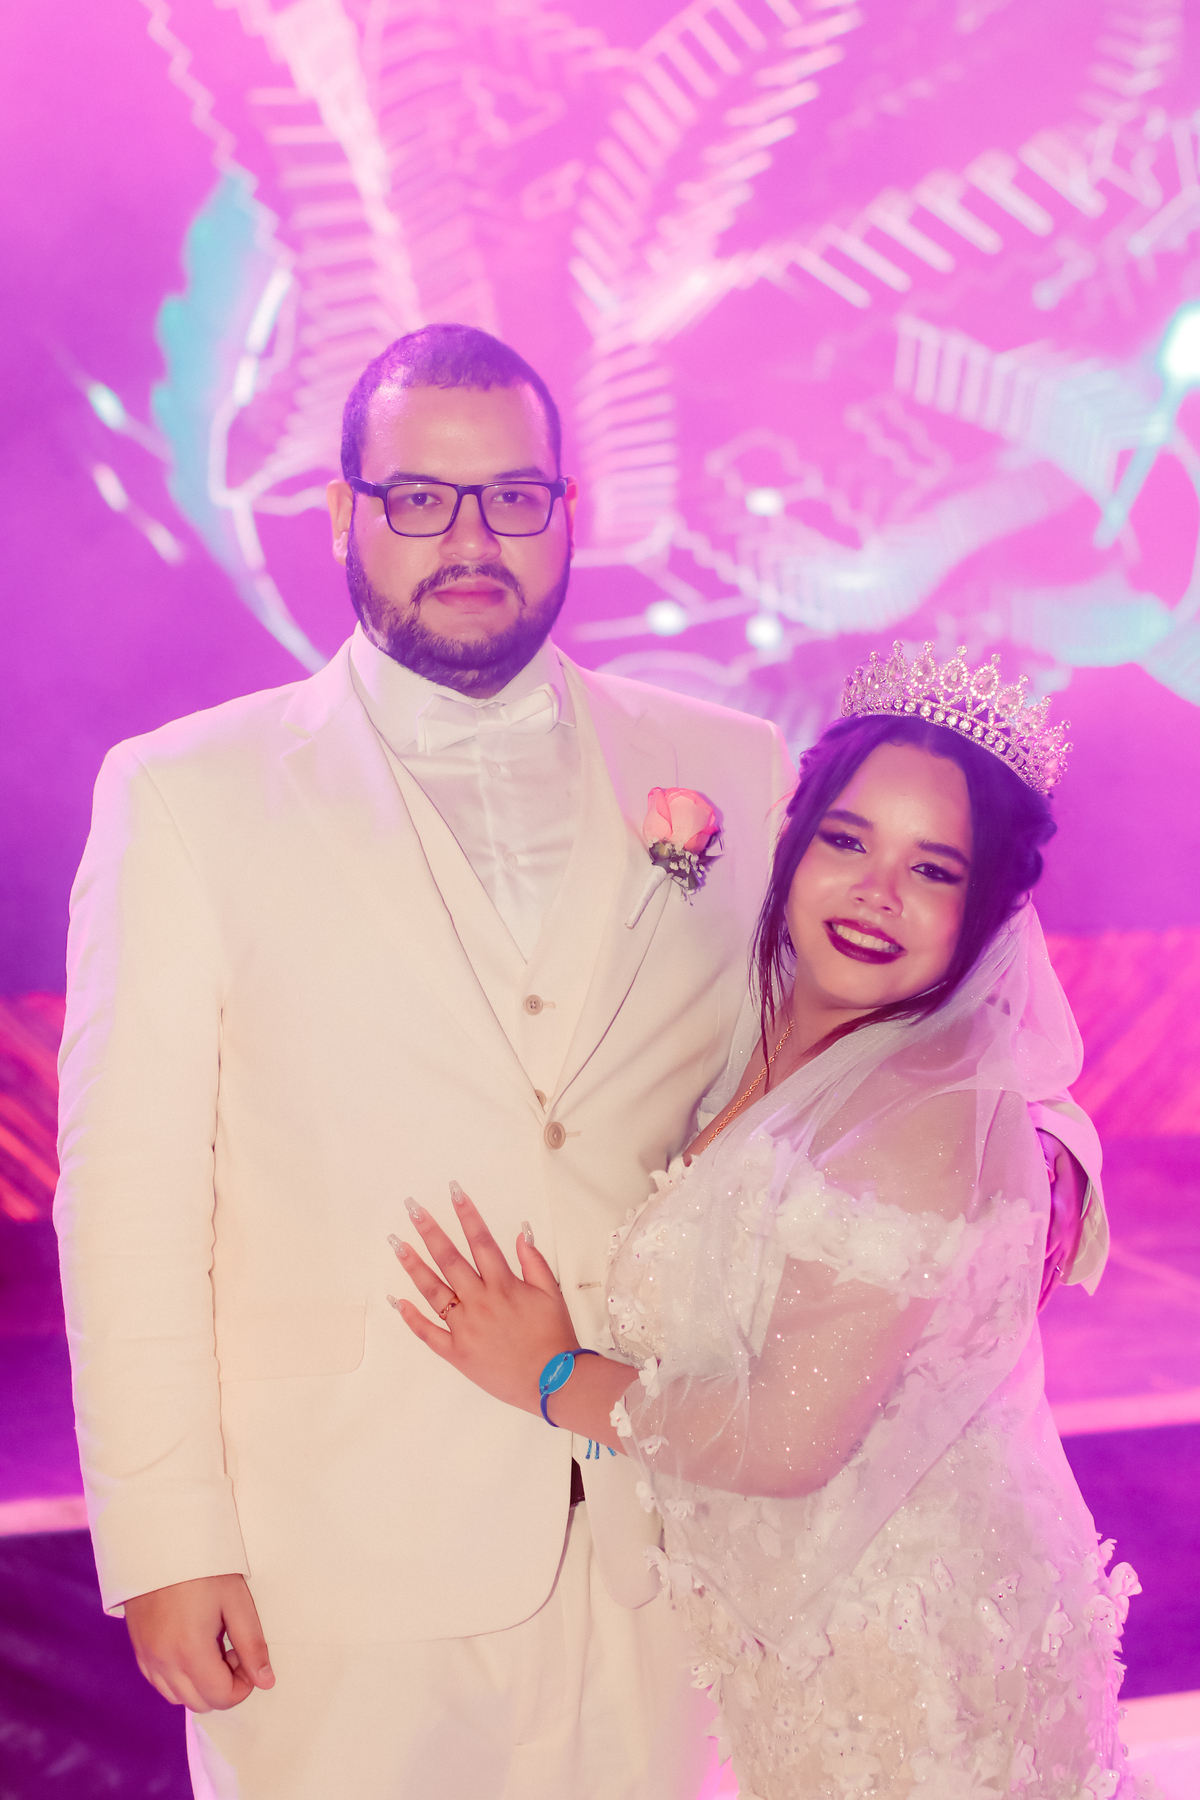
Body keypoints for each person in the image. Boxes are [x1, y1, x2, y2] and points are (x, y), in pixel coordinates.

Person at [54, 326, 1101, 1799]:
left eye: (513, 497)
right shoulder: (188, 796)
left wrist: (1048, 1171)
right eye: (420, 498)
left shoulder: (730, 766)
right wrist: (167, 1538)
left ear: (567, 512)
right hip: (331, 1555)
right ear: (342, 512)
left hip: (663, 1548)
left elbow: (926, 1016)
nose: (469, 538)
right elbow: (127, 1203)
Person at [390, 643, 1146, 1800]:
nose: (877, 892)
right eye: (848, 842)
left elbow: (783, 1442)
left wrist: (548, 1372)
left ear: (988, 913)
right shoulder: (769, 1019)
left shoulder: (922, 1115)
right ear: (793, 849)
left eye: (933, 869)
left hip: (906, 1658)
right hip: (808, 1629)